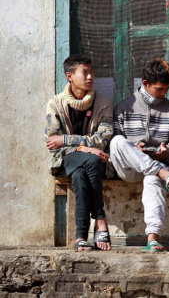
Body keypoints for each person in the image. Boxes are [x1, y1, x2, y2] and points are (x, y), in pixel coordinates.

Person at [111, 59, 169, 253]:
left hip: (159, 164)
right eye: (159, 89)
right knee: (117, 142)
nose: (164, 93)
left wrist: (167, 151)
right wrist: (135, 147)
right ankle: (161, 173)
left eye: (167, 89)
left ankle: (152, 238)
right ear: (145, 83)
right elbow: (119, 143)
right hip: (131, 168)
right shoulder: (124, 107)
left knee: (153, 179)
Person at [46, 55, 114, 251]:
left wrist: (69, 140)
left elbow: (103, 139)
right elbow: (53, 142)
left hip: (92, 161)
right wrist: (86, 147)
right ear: (70, 76)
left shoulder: (103, 102)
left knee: (81, 173)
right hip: (65, 159)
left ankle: (80, 237)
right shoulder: (56, 103)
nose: (90, 76)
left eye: (91, 71)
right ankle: (100, 219)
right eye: (85, 72)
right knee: (91, 160)